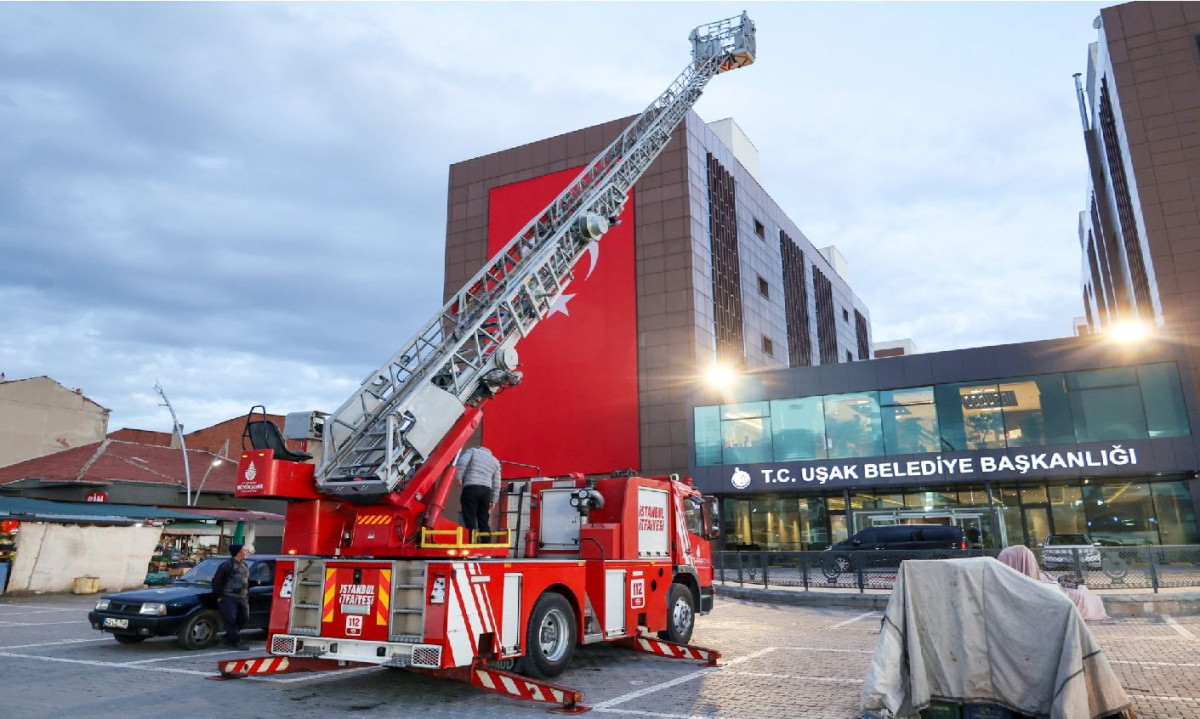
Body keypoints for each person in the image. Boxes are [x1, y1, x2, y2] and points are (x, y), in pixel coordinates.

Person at [996, 544, 1109, 621]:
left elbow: (1048, 580)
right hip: (1057, 592)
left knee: (1081, 590)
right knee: (1080, 593)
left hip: (1058, 588)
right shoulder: (1019, 581)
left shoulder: (1033, 575)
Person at [455, 445, 501, 541]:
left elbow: (462, 461)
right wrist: (493, 500)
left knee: (469, 519)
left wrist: (459, 477)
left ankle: (470, 545)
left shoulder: (473, 451)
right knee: (483, 520)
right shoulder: (495, 461)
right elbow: (497, 483)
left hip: (471, 488)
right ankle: (486, 548)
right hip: (486, 492)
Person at [212, 543, 252, 649]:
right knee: (230, 620)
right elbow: (217, 581)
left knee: (243, 618)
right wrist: (219, 596)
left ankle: (227, 639)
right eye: (244, 550)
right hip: (228, 597)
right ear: (238, 553)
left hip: (242, 598)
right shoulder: (227, 565)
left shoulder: (245, 565)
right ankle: (236, 642)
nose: (246, 552)